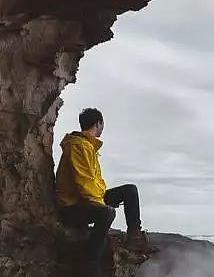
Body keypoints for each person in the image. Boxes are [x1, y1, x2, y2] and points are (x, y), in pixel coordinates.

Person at [55, 107, 153, 268]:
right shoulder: (79, 146)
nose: (102, 127)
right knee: (107, 213)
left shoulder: (87, 146)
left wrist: (101, 198)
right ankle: (90, 263)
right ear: (98, 123)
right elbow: (84, 183)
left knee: (129, 190)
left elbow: (92, 184)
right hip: (71, 207)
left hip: (85, 199)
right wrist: (101, 204)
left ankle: (135, 238)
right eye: (102, 124)